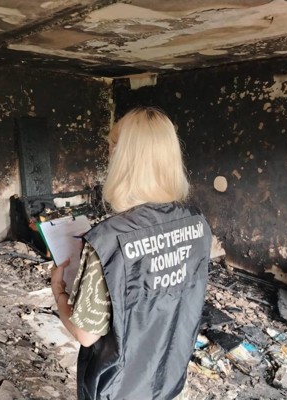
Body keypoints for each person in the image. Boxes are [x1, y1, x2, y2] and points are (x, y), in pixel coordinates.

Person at [51, 107, 212, 400]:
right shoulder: (197, 222)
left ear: (121, 159)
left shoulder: (108, 240)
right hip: (169, 376)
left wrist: (59, 292)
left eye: (111, 148)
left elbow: (86, 334)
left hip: (119, 387)